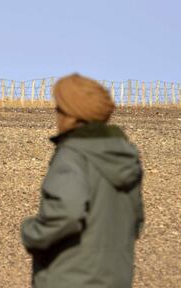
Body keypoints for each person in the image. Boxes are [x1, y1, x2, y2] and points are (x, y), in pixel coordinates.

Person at [21, 74, 144, 288]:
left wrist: (32, 232)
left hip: (72, 277)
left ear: (71, 114)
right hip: (117, 277)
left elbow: (66, 214)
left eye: (59, 109)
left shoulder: (73, 155)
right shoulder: (125, 155)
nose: (57, 116)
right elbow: (136, 221)